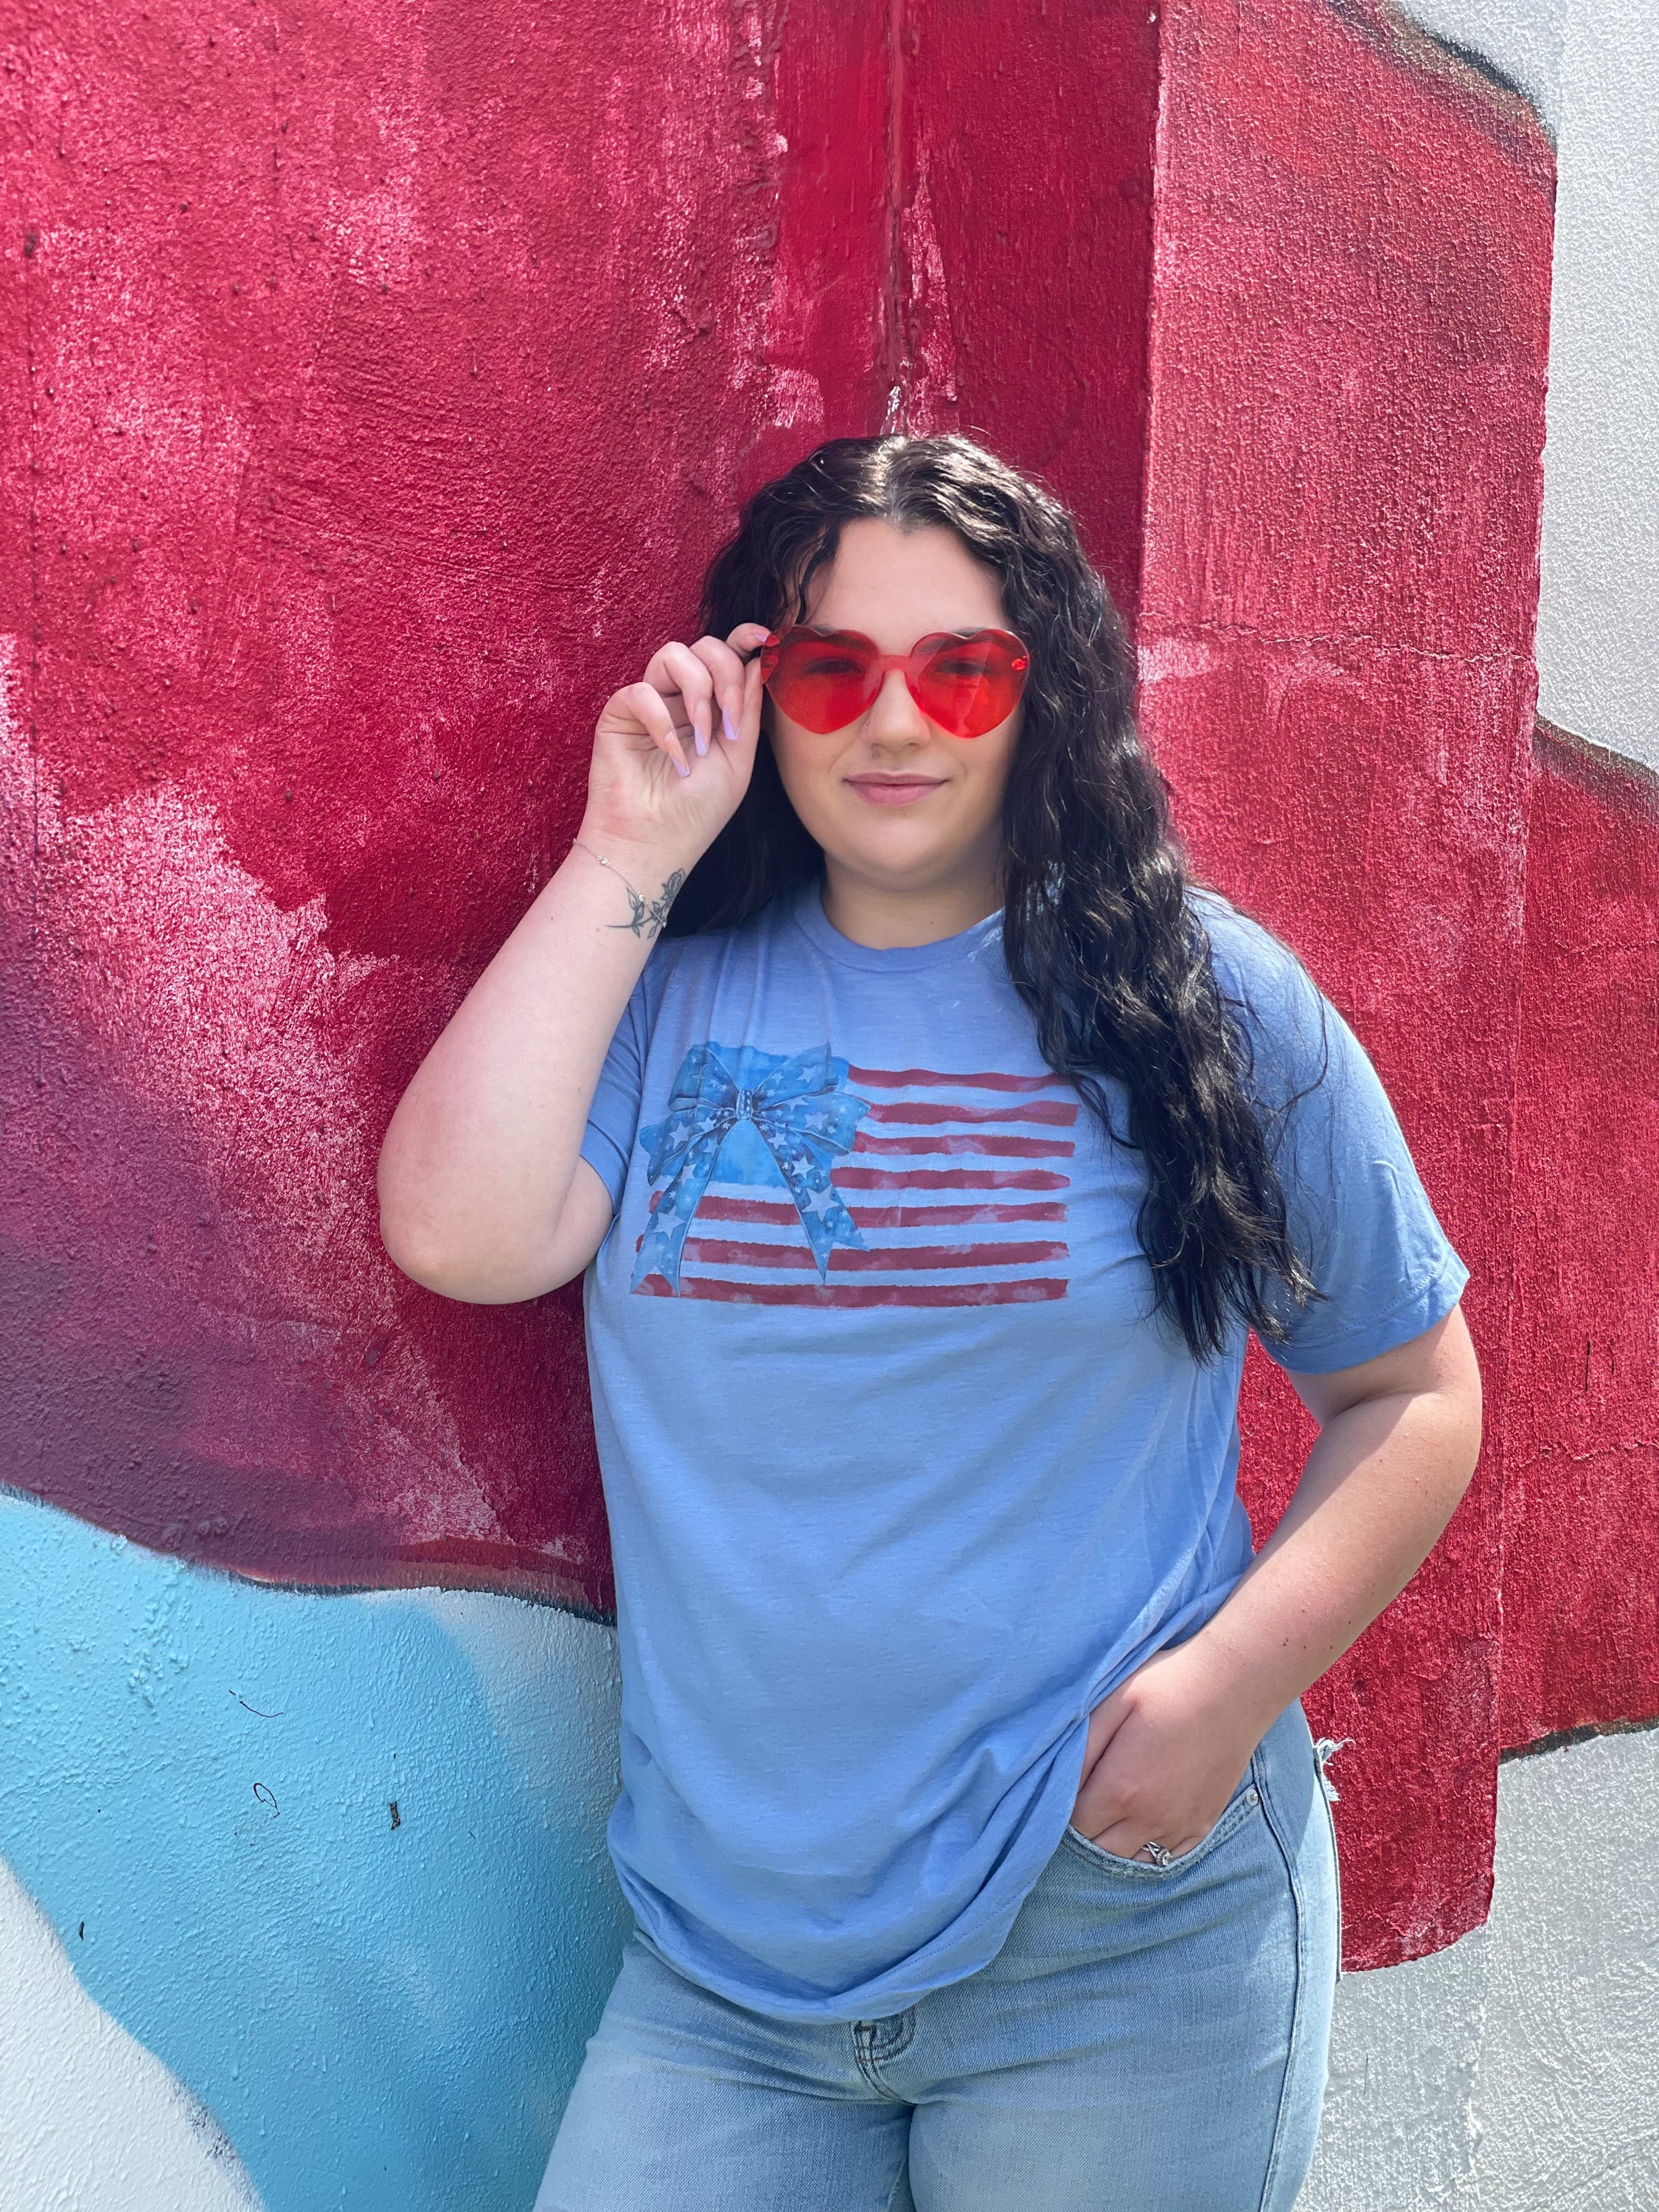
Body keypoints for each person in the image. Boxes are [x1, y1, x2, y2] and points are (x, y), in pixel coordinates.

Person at [376, 433, 1482, 2212]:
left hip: (1116, 1927)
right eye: (834, 670)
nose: (896, 722)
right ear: (760, 692)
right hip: (728, 1961)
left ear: (1046, 697)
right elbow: (458, 1232)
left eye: (961, 669)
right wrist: (625, 849)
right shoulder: (658, 998)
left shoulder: (1204, 1004)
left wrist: (1230, 1689)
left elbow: (1412, 1390)